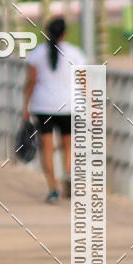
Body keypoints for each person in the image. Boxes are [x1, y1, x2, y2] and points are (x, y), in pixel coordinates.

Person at [22, 17, 87, 203]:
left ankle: (52, 189)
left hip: (43, 106)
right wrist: (89, 104)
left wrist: (25, 108)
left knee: (47, 148)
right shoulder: (75, 53)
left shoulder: (36, 54)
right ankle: (68, 174)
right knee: (69, 145)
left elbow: (31, 82)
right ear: (64, 34)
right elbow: (83, 81)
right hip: (69, 105)